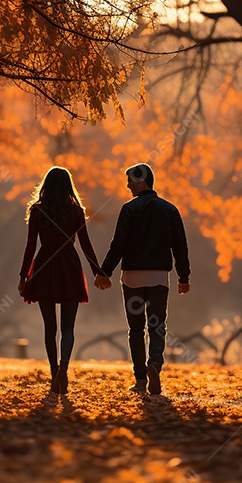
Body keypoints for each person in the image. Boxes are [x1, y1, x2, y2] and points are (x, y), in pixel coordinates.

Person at [94, 163, 190, 395]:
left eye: (131, 180)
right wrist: (183, 277)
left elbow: (118, 245)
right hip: (158, 278)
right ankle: (154, 365)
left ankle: (140, 380)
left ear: (142, 180)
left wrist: (104, 272)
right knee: (157, 327)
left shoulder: (129, 209)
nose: (128, 185)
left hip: (132, 279)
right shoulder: (170, 210)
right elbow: (180, 247)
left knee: (135, 329)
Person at [18, 166, 103, 395]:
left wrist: (23, 276)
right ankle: (64, 370)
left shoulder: (37, 211)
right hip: (69, 267)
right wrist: (98, 272)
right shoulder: (76, 211)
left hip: (44, 267)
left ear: (46, 185)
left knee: (50, 327)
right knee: (68, 327)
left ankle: (54, 372)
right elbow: (85, 244)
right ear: (68, 186)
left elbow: (30, 247)